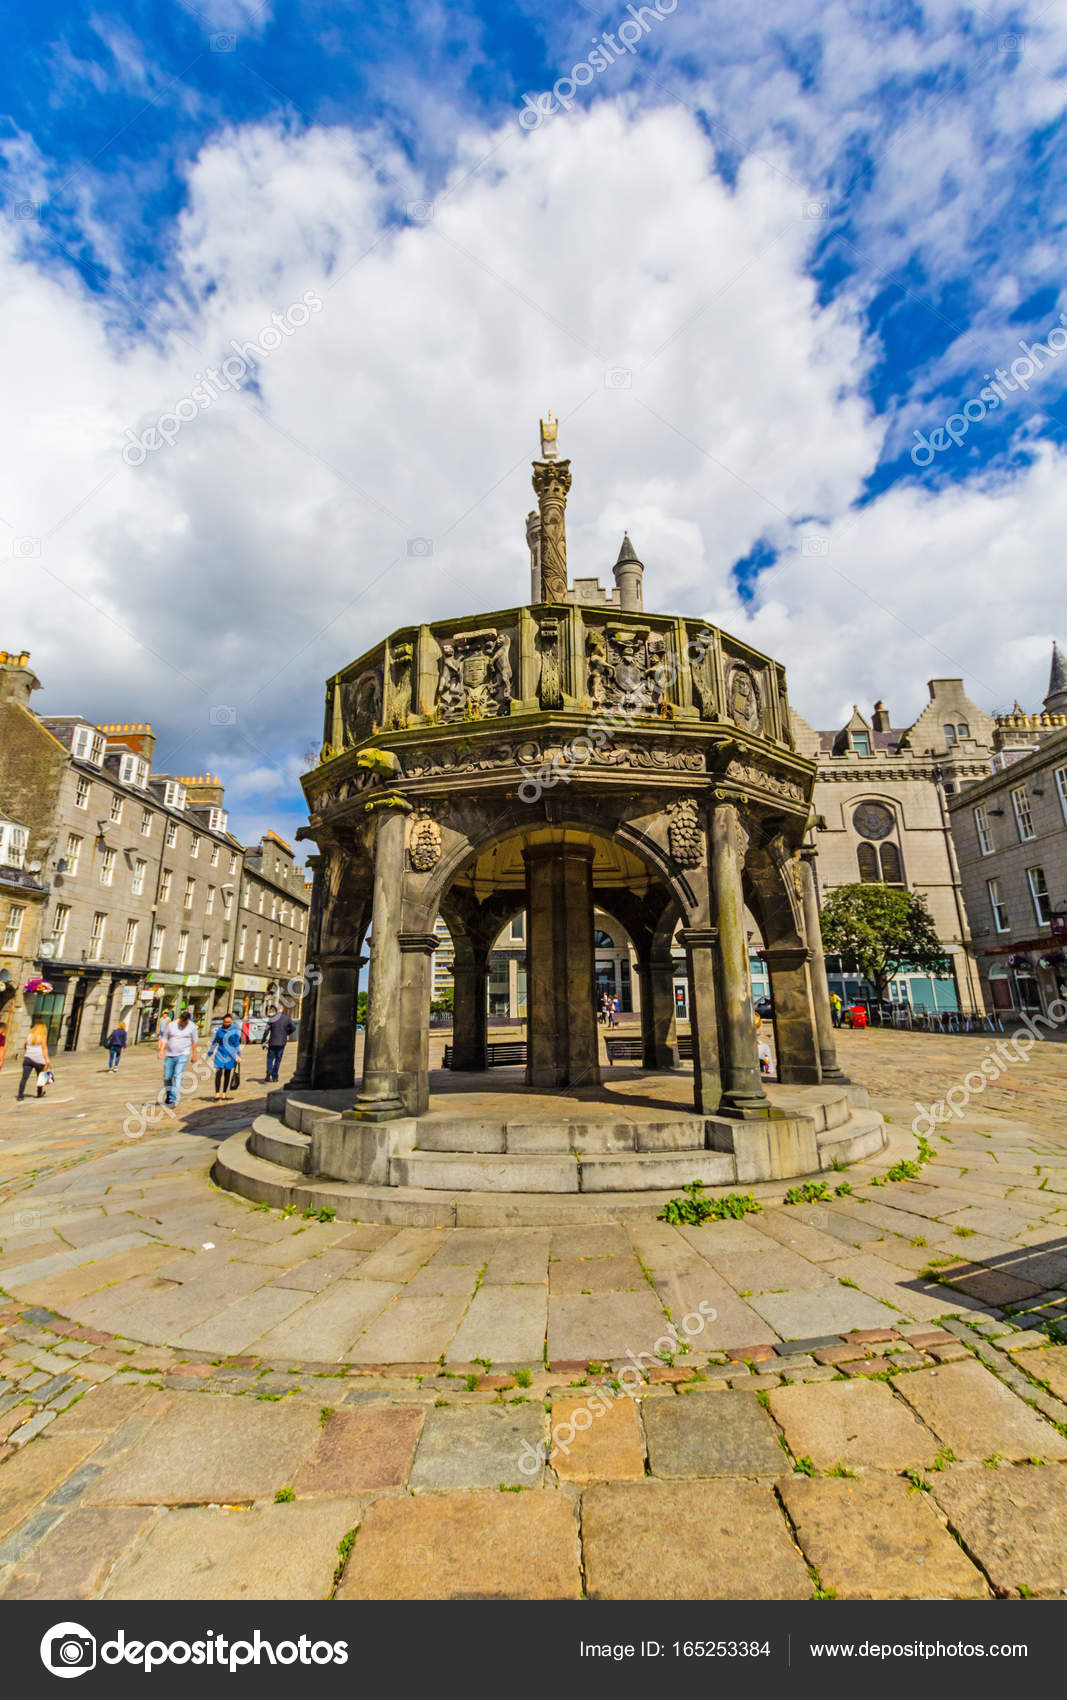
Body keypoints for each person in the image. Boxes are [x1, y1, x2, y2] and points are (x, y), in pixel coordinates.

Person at [157, 1009, 198, 1106]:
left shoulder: (192, 1027)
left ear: (188, 1020)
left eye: (184, 1023)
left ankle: (172, 1099)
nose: (181, 1024)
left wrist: (194, 1054)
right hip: (170, 1055)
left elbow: (194, 1041)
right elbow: (165, 1038)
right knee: (167, 1077)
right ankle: (169, 1094)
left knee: (177, 1076)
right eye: (180, 1021)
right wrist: (161, 1050)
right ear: (179, 1018)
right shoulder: (171, 1025)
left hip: (183, 1055)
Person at [207, 1013, 242, 1102]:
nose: (228, 1023)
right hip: (220, 1054)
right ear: (223, 1021)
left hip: (230, 1055)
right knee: (218, 1074)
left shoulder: (234, 1030)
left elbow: (236, 1043)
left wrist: (238, 1054)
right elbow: (215, 1042)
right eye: (226, 1022)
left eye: (229, 1022)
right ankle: (217, 1093)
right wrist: (210, 1052)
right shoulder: (219, 1030)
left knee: (227, 1074)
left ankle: (224, 1093)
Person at [262, 1005, 295, 1083]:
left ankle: (269, 1070)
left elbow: (266, 1030)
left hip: (272, 1042)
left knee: (270, 1058)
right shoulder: (287, 1018)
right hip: (282, 1042)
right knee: (278, 1059)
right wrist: (287, 1033)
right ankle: (275, 1076)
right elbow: (293, 1028)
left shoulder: (272, 1018)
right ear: (282, 1009)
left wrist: (263, 1040)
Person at [17, 1023, 50, 1101]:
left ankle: (20, 1095)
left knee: (24, 1077)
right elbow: (44, 1048)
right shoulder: (42, 1036)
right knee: (40, 1077)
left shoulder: (29, 1036)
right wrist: (47, 1059)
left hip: (28, 1058)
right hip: (39, 1059)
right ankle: (39, 1093)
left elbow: (25, 1047)